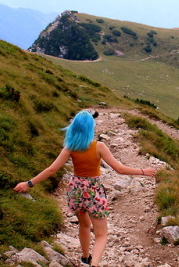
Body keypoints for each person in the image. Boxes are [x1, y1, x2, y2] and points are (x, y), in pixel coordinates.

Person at [14, 109, 156, 267]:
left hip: (76, 189)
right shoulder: (99, 147)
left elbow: (51, 170)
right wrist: (143, 172)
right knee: (101, 234)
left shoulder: (70, 147)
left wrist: (28, 183)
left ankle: (85, 257)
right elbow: (120, 169)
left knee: (84, 224)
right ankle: (94, 264)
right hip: (93, 190)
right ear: (91, 127)